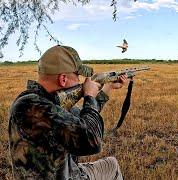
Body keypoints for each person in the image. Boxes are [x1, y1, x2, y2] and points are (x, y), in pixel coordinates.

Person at [8, 45, 127, 179]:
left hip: (65, 172)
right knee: (112, 165)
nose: (80, 82)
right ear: (63, 79)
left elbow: (81, 121)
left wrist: (108, 88)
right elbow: (92, 140)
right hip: (65, 176)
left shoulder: (40, 102)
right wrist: (89, 96)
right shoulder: (32, 107)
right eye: (77, 76)